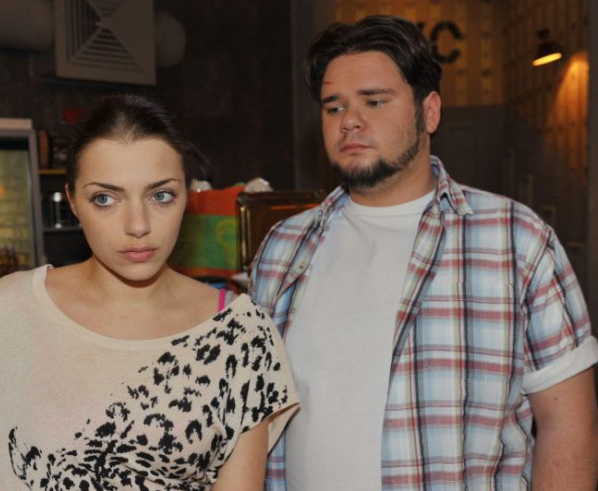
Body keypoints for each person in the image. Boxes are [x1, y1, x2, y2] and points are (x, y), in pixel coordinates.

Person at [0, 94, 299, 490]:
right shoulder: (16, 306)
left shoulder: (240, 333)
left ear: (189, 196)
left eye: (161, 196)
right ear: (72, 201)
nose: (138, 225)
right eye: (105, 199)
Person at [250, 15, 598, 490]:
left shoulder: (516, 240)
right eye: (334, 107)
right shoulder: (282, 248)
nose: (349, 120)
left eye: (374, 101)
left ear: (429, 112)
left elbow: (569, 424)